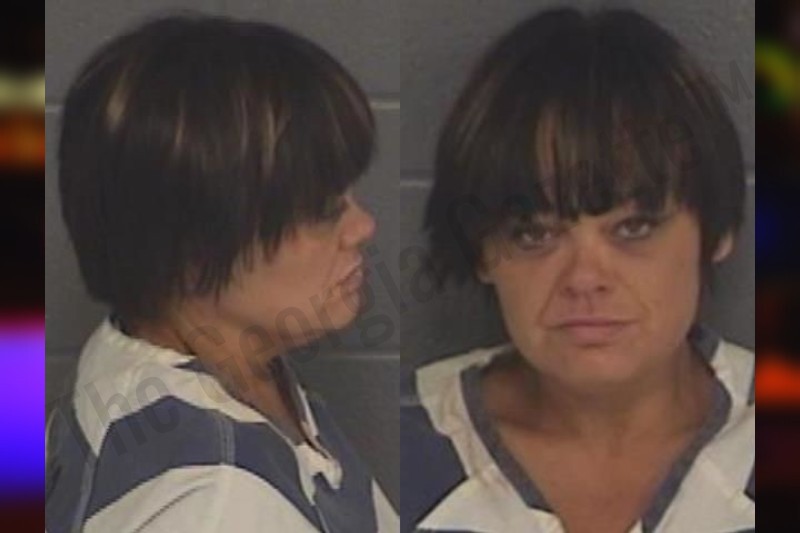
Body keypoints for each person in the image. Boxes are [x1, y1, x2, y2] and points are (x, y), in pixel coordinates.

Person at [402, 8, 754, 533]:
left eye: (634, 227)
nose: (584, 278)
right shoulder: (407, 445)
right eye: (534, 234)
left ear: (717, 230)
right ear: (481, 252)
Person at [45, 14, 398, 532]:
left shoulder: (205, 359)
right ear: (189, 251)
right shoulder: (216, 506)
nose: (363, 226)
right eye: (324, 209)